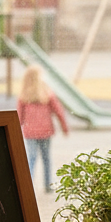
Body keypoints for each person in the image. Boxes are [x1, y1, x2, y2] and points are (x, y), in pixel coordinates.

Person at [16, 64, 68, 192]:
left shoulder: (24, 96)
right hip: (46, 131)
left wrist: (15, 131)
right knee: (46, 158)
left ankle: (28, 186)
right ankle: (48, 185)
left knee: (31, 159)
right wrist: (64, 126)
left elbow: (18, 116)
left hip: (30, 132)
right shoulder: (47, 93)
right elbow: (58, 111)